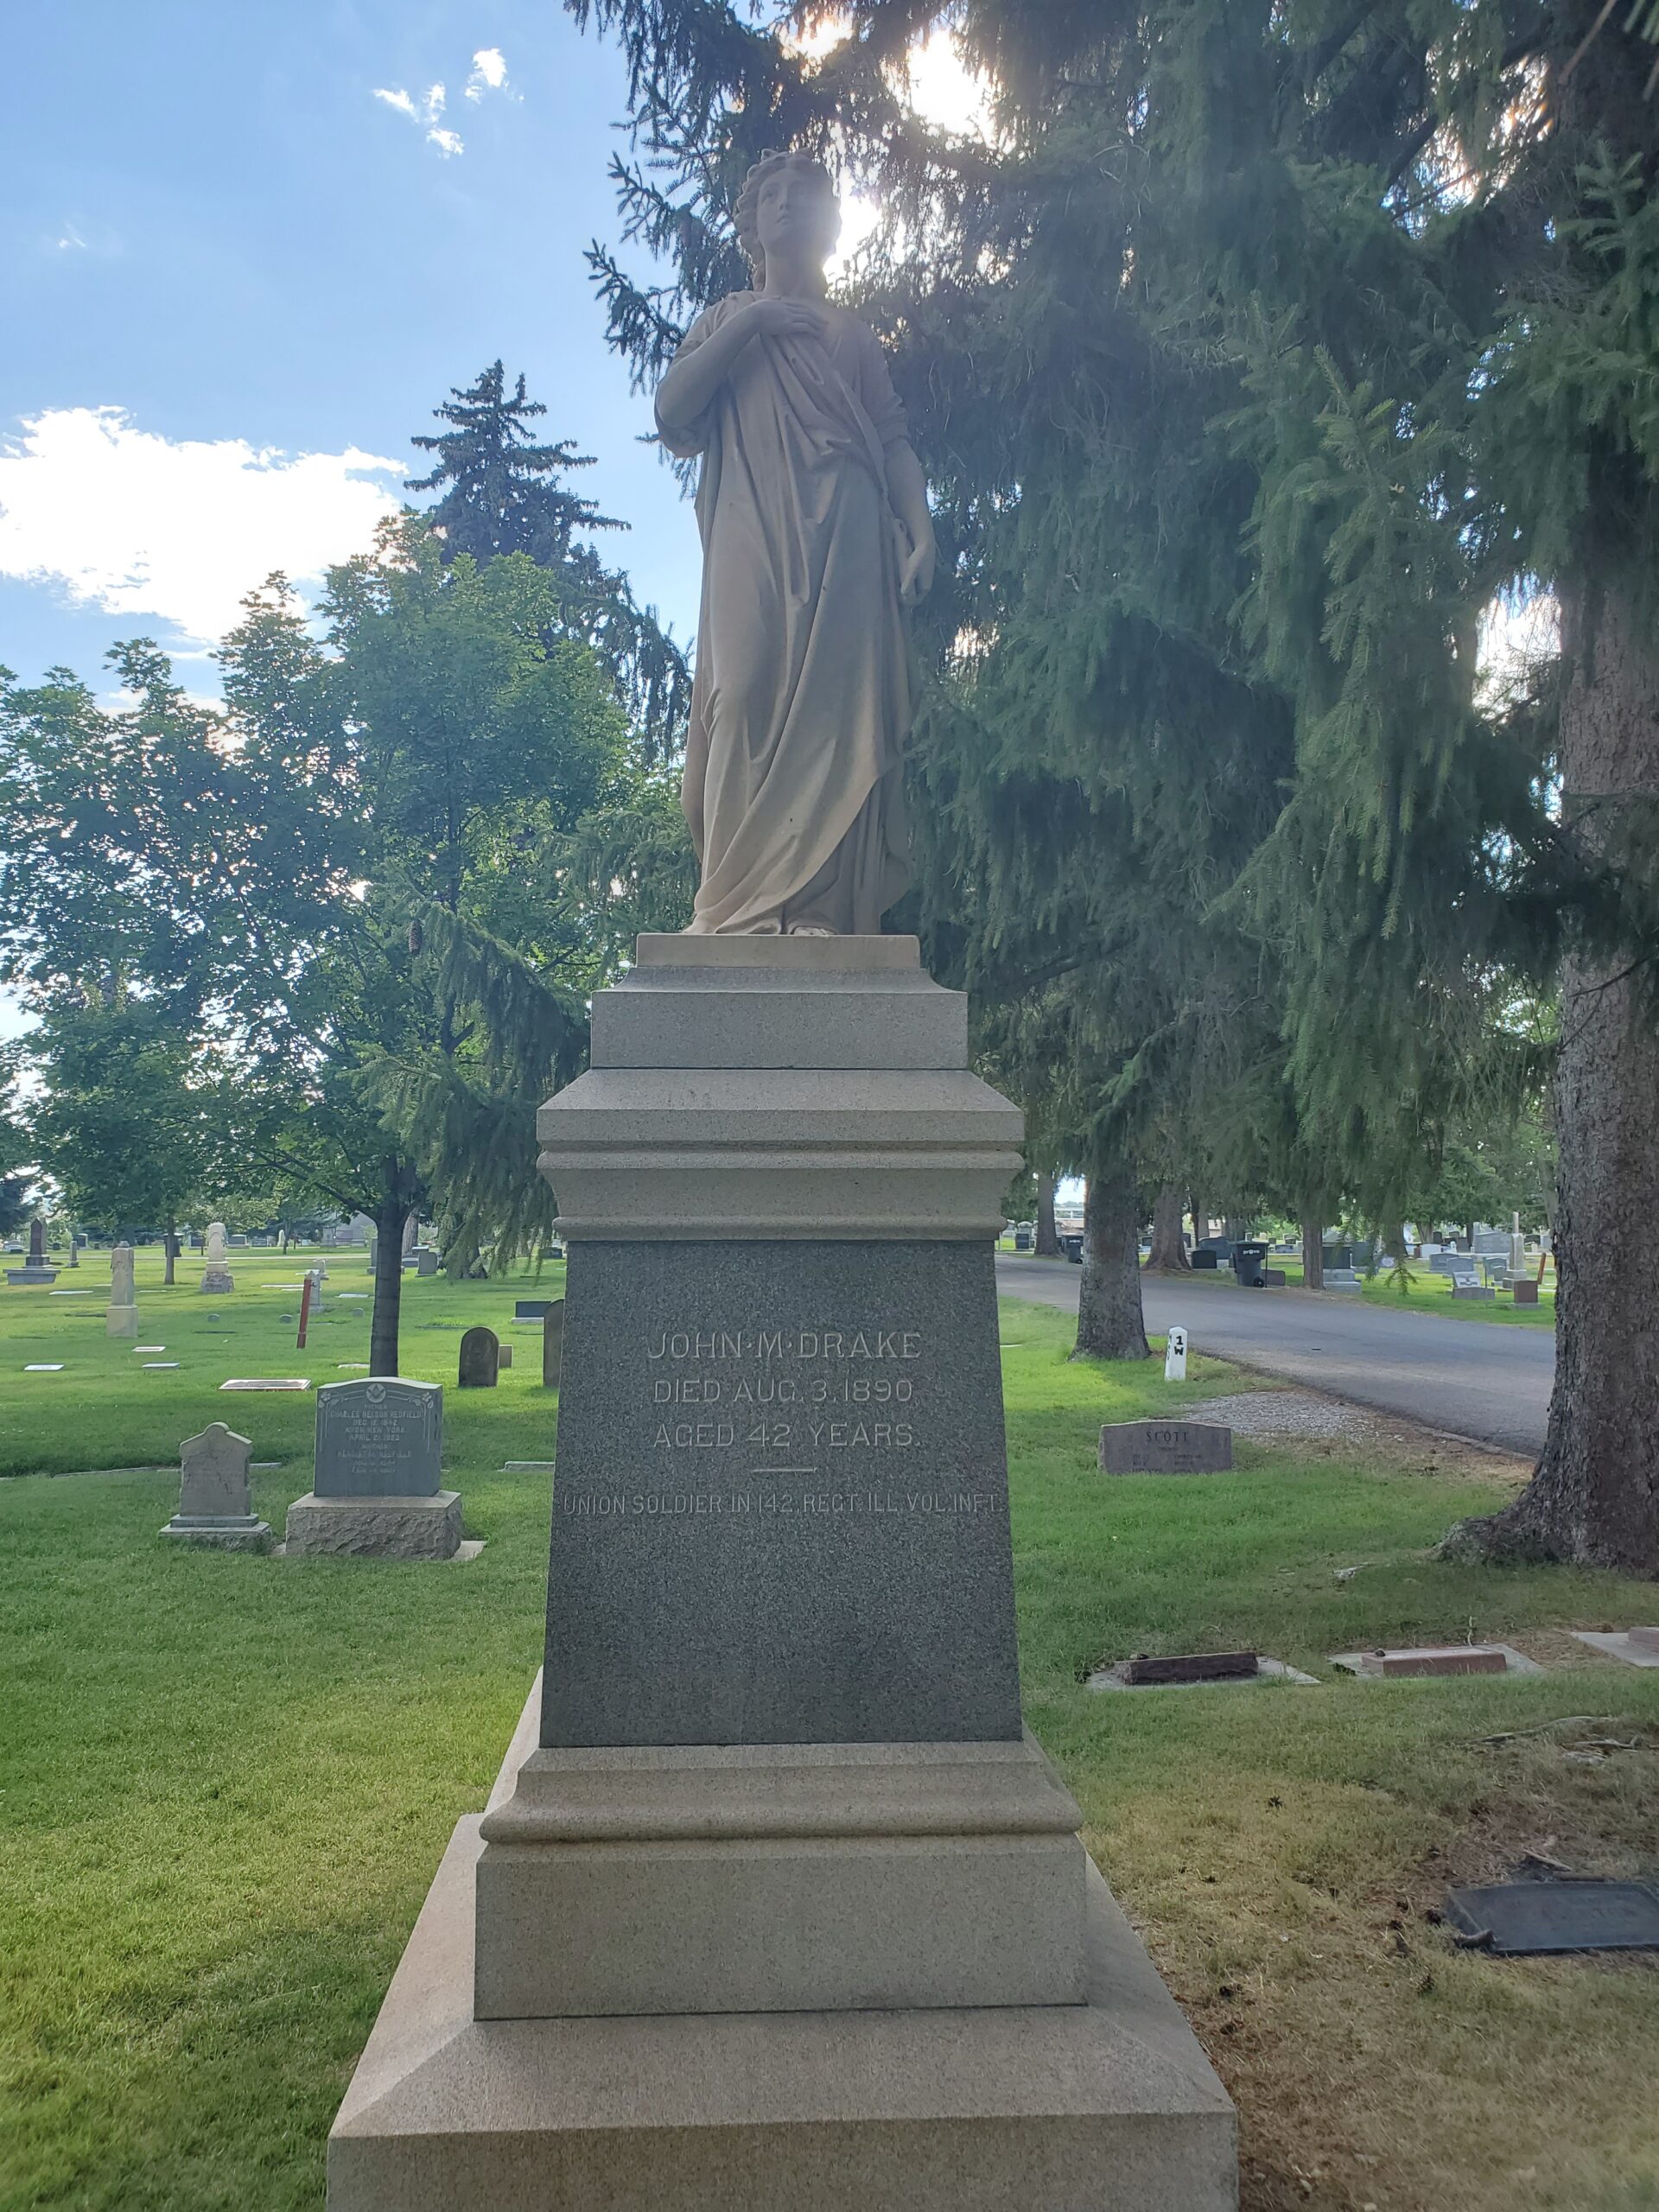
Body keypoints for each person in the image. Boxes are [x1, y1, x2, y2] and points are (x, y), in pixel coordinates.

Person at [655, 150, 937, 935]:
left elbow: (891, 439)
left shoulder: (850, 334)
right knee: (738, 691)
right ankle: (734, 908)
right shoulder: (725, 320)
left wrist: (921, 531)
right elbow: (674, 413)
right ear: (751, 226)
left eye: (806, 197)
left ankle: (816, 909)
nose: (789, 206)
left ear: (829, 224)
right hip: (752, 521)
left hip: (847, 533)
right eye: (772, 196)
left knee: (836, 715)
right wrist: (750, 324)